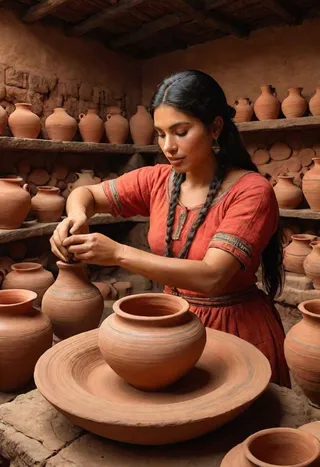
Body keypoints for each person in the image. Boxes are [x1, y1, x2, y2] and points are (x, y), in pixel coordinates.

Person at [51, 70, 290, 387]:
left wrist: (119, 254)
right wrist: (75, 215)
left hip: (235, 330)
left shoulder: (251, 191)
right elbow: (87, 194)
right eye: (161, 134)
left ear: (215, 127)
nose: (168, 146)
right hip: (171, 323)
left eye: (180, 132)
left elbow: (212, 277)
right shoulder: (157, 179)